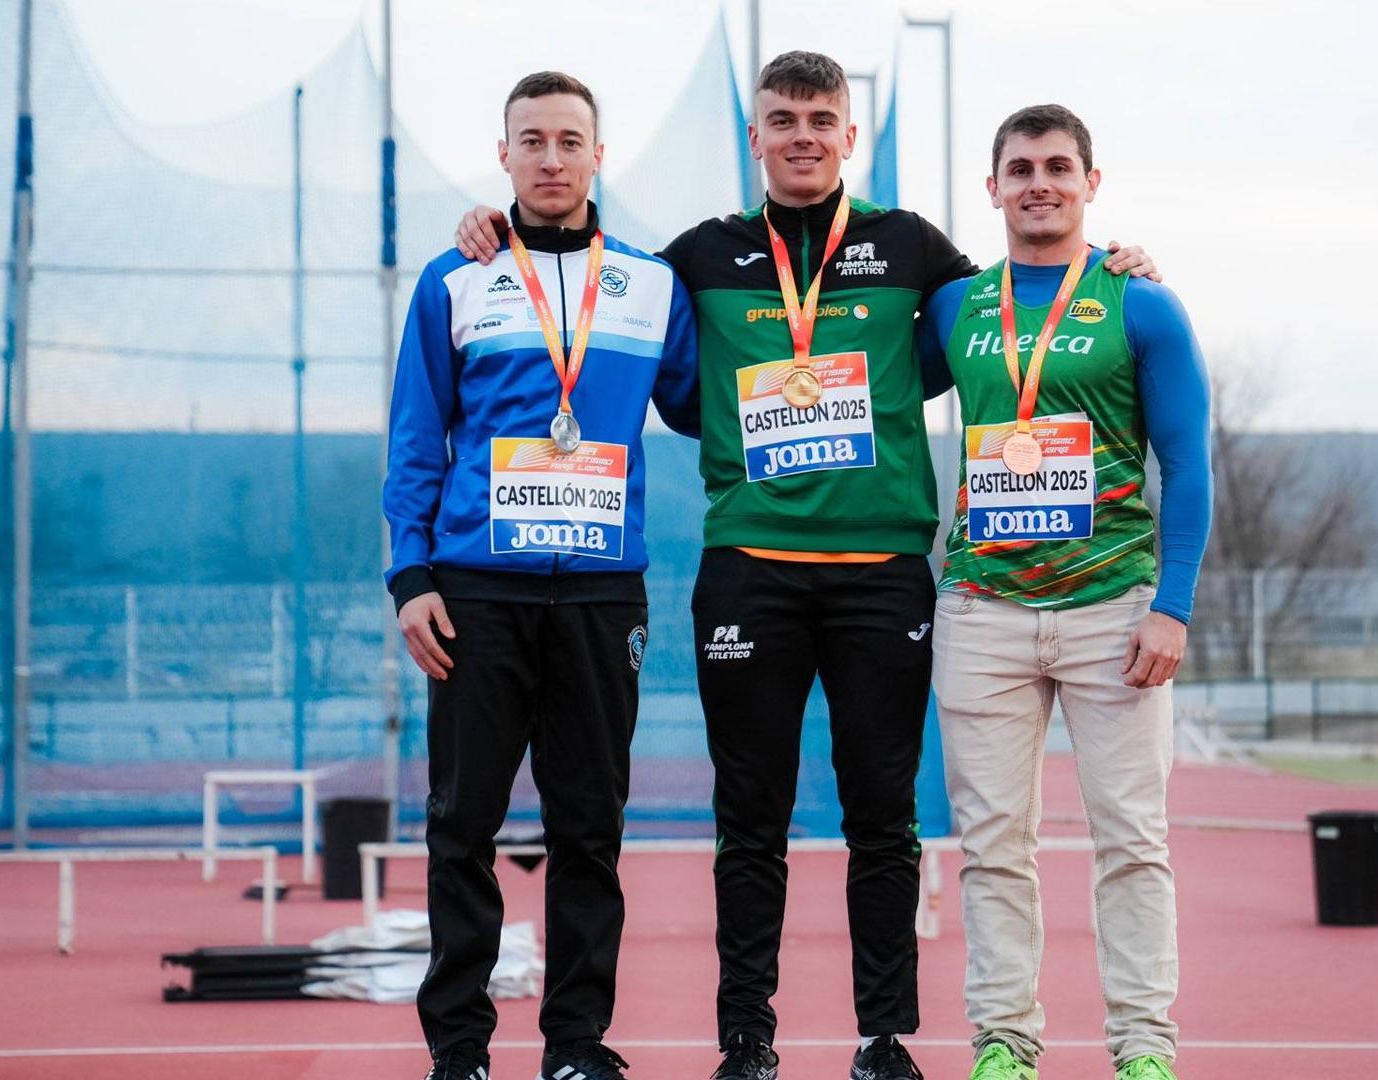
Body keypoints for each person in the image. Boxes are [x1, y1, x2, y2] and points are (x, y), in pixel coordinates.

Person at [454, 53, 1157, 1080]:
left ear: (847, 136)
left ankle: (884, 1039)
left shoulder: (911, 247)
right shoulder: (699, 257)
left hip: (883, 573)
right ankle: (748, 1039)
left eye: (820, 119)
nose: (801, 136)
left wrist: (1116, 263)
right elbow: (624, 321)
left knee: (883, 820)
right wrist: (492, 228)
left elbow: (1006, 314)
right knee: (749, 822)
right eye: (782, 119)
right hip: (752, 570)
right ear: (756, 138)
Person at [385, 71, 699, 1080]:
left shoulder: (651, 284)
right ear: (504, 155)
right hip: (476, 593)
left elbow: (710, 400)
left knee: (589, 831)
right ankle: (460, 1051)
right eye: (533, 141)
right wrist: (410, 576)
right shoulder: (454, 279)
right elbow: (416, 437)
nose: (552, 159)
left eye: (570, 141)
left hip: (602, 597)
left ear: (599, 156)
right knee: (460, 828)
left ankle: (575, 1045)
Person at [913, 104, 1211, 1080]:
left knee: (1133, 841)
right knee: (994, 847)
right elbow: (862, 367)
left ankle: (1145, 1049)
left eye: (1056, 167)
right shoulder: (956, 307)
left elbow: (1188, 465)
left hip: (1113, 610)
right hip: (982, 611)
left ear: (1091, 182)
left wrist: (1172, 605)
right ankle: (1004, 1044)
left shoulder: (1142, 303)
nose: (1038, 183)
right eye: (1020, 169)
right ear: (992, 187)